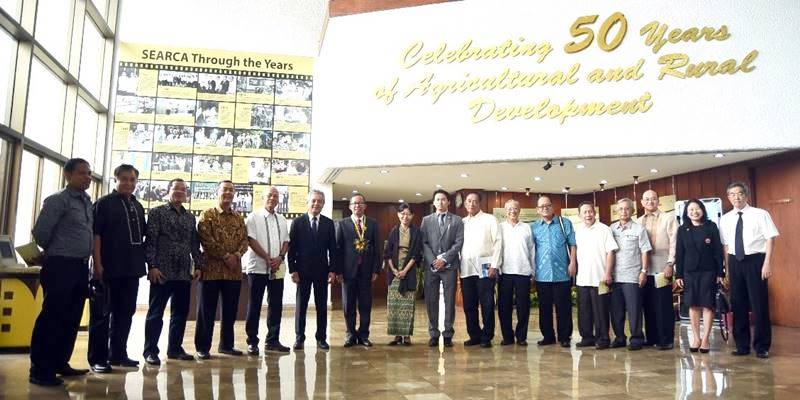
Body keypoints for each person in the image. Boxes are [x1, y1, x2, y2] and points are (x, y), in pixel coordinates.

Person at [29, 158, 93, 386]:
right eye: (82, 173)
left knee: (71, 318)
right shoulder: (58, 200)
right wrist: (55, 251)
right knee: (52, 317)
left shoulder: (86, 201)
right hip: (60, 266)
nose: (87, 177)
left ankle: (59, 362)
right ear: (68, 175)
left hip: (80, 266)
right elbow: (41, 232)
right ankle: (40, 370)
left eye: (89, 173)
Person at [88, 164, 147, 372]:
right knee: (102, 315)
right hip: (108, 269)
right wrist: (97, 264)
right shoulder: (104, 204)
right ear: (116, 180)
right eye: (124, 179)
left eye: (132, 180)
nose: (128, 183)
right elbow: (96, 235)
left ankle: (118, 354)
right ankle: (98, 359)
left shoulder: (137, 206)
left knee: (125, 313)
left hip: (132, 270)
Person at [143, 178, 202, 365]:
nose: (179, 192)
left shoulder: (190, 217)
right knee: (156, 313)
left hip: (183, 272)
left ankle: (175, 348)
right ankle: (150, 351)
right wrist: (152, 266)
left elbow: (194, 244)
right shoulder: (157, 213)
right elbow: (150, 241)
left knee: (180, 313)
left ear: (186, 194)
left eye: (183, 190)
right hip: (161, 271)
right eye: (176, 189)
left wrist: (198, 265)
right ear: (168, 191)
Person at [720, 181, 779, 358]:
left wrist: (767, 263)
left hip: (756, 261)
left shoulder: (760, 214)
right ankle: (742, 345)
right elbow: (726, 246)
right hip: (734, 261)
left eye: (739, 194)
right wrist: (727, 269)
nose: (736, 197)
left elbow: (770, 239)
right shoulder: (725, 218)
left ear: (746, 195)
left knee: (759, 304)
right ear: (728, 197)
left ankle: (762, 346)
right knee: (738, 304)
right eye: (732, 194)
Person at [195, 180, 249, 359]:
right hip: (211, 271)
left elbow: (244, 241)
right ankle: (203, 347)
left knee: (230, 311)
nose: (228, 193)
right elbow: (206, 240)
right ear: (217, 192)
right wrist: (226, 256)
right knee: (206, 312)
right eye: (224, 189)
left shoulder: (238, 217)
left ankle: (226, 345)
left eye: (231, 190)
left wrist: (237, 255)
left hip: (233, 273)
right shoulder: (207, 215)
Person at [243, 186, 290, 355]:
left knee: (276, 305)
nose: (272, 198)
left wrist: (280, 258)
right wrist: (267, 258)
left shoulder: (282, 219)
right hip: (257, 268)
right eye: (269, 195)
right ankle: (252, 342)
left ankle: (272, 340)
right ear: (263, 197)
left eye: (276, 196)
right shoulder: (253, 217)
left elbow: (286, 241)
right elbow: (250, 240)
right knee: (254, 305)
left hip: (277, 269)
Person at [289, 189, 337, 350]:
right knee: (301, 306)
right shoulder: (297, 222)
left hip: (322, 272)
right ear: (308, 202)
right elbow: (292, 249)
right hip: (302, 272)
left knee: (321, 306)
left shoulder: (328, 223)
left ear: (323, 204)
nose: (316, 204)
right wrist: (293, 270)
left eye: (320, 201)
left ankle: (321, 338)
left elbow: (333, 249)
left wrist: (332, 270)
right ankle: (299, 338)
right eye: (314, 200)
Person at [675, 199, 725, 353]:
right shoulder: (683, 229)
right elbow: (679, 253)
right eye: (691, 209)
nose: (694, 212)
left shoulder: (711, 226)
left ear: (703, 210)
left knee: (708, 305)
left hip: (709, 271)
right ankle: (696, 338)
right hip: (689, 272)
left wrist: (720, 272)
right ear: (686, 212)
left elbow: (718, 251)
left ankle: (705, 339)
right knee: (693, 305)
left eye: (697, 209)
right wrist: (679, 275)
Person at [335, 193, 380, 347]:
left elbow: (377, 248)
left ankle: (364, 335)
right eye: (354, 203)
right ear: (350, 206)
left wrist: (376, 269)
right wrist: (338, 271)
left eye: (360, 203)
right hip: (348, 272)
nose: (357, 206)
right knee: (348, 305)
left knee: (365, 305)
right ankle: (350, 334)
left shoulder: (372, 224)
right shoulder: (342, 224)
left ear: (365, 206)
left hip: (366, 272)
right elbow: (338, 249)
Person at [531, 195, 577, 347]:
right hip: (542, 274)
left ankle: (565, 337)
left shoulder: (564, 223)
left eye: (547, 205)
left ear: (552, 206)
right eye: (541, 206)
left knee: (564, 307)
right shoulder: (534, 227)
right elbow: (531, 249)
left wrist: (573, 263)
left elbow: (572, 244)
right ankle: (548, 336)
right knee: (544, 308)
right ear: (537, 210)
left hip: (562, 273)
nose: (545, 208)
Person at [420, 189, 463, 348]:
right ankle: (433, 333)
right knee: (431, 300)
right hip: (431, 267)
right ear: (433, 202)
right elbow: (423, 242)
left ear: (448, 202)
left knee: (449, 300)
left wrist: (444, 259)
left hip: (449, 266)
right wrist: (433, 260)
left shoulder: (457, 220)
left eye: (443, 199)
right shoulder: (426, 220)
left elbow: (458, 243)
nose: (440, 202)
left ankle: (448, 334)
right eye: (437, 199)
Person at [460, 192, 502, 348]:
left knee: (487, 304)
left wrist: (494, 265)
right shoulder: (462, 222)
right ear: (465, 204)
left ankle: (486, 336)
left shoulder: (490, 219)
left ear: (480, 203)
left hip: (485, 269)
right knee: (469, 306)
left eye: (475, 201)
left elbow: (498, 242)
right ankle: (474, 335)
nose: (471, 204)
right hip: (466, 270)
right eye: (469, 201)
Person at [609, 198, 652, 351]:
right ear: (617, 211)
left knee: (634, 310)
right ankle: (619, 338)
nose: (624, 211)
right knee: (616, 311)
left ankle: (636, 338)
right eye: (621, 209)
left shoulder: (639, 229)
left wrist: (643, 272)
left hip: (632, 276)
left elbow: (645, 251)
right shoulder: (611, 229)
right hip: (615, 277)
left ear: (632, 211)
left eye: (627, 208)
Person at [637, 190, 678, 350]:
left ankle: (666, 339)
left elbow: (674, 242)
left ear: (658, 201)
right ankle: (651, 337)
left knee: (663, 305)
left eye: (653, 199)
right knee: (648, 305)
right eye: (647, 199)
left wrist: (670, 263)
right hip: (644, 269)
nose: (650, 202)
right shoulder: (638, 221)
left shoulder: (668, 218)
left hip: (662, 268)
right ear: (642, 202)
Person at [575, 201, 618, 350]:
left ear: (595, 213)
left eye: (590, 211)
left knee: (601, 311)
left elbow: (610, 252)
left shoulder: (604, 229)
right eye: (584, 212)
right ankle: (587, 337)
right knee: (584, 311)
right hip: (582, 278)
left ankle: (603, 339)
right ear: (580, 215)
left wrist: (608, 273)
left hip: (600, 278)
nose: (588, 214)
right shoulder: (578, 231)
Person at [384, 203, 423, 345]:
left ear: (412, 216)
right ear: (398, 215)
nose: (405, 216)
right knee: (394, 305)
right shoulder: (394, 231)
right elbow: (387, 253)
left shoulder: (417, 232)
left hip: (409, 270)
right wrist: (394, 270)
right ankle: (396, 335)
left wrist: (405, 270)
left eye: (408, 214)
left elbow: (416, 254)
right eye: (402, 214)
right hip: (394, 271)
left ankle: (406, 336)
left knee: (408, 305)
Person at [498, 199, 535, 346]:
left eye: (515, 208)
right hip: (504, 272)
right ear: (505, 210)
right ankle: (507, 337)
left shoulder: (527, 228)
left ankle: (521, 337)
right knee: (504, 307)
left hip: (523, 272)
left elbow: (532, 250)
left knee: (523, 307)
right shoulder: (500, 227)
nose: (512, 211)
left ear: (519, 210)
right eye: (509, 208)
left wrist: (533, 270)